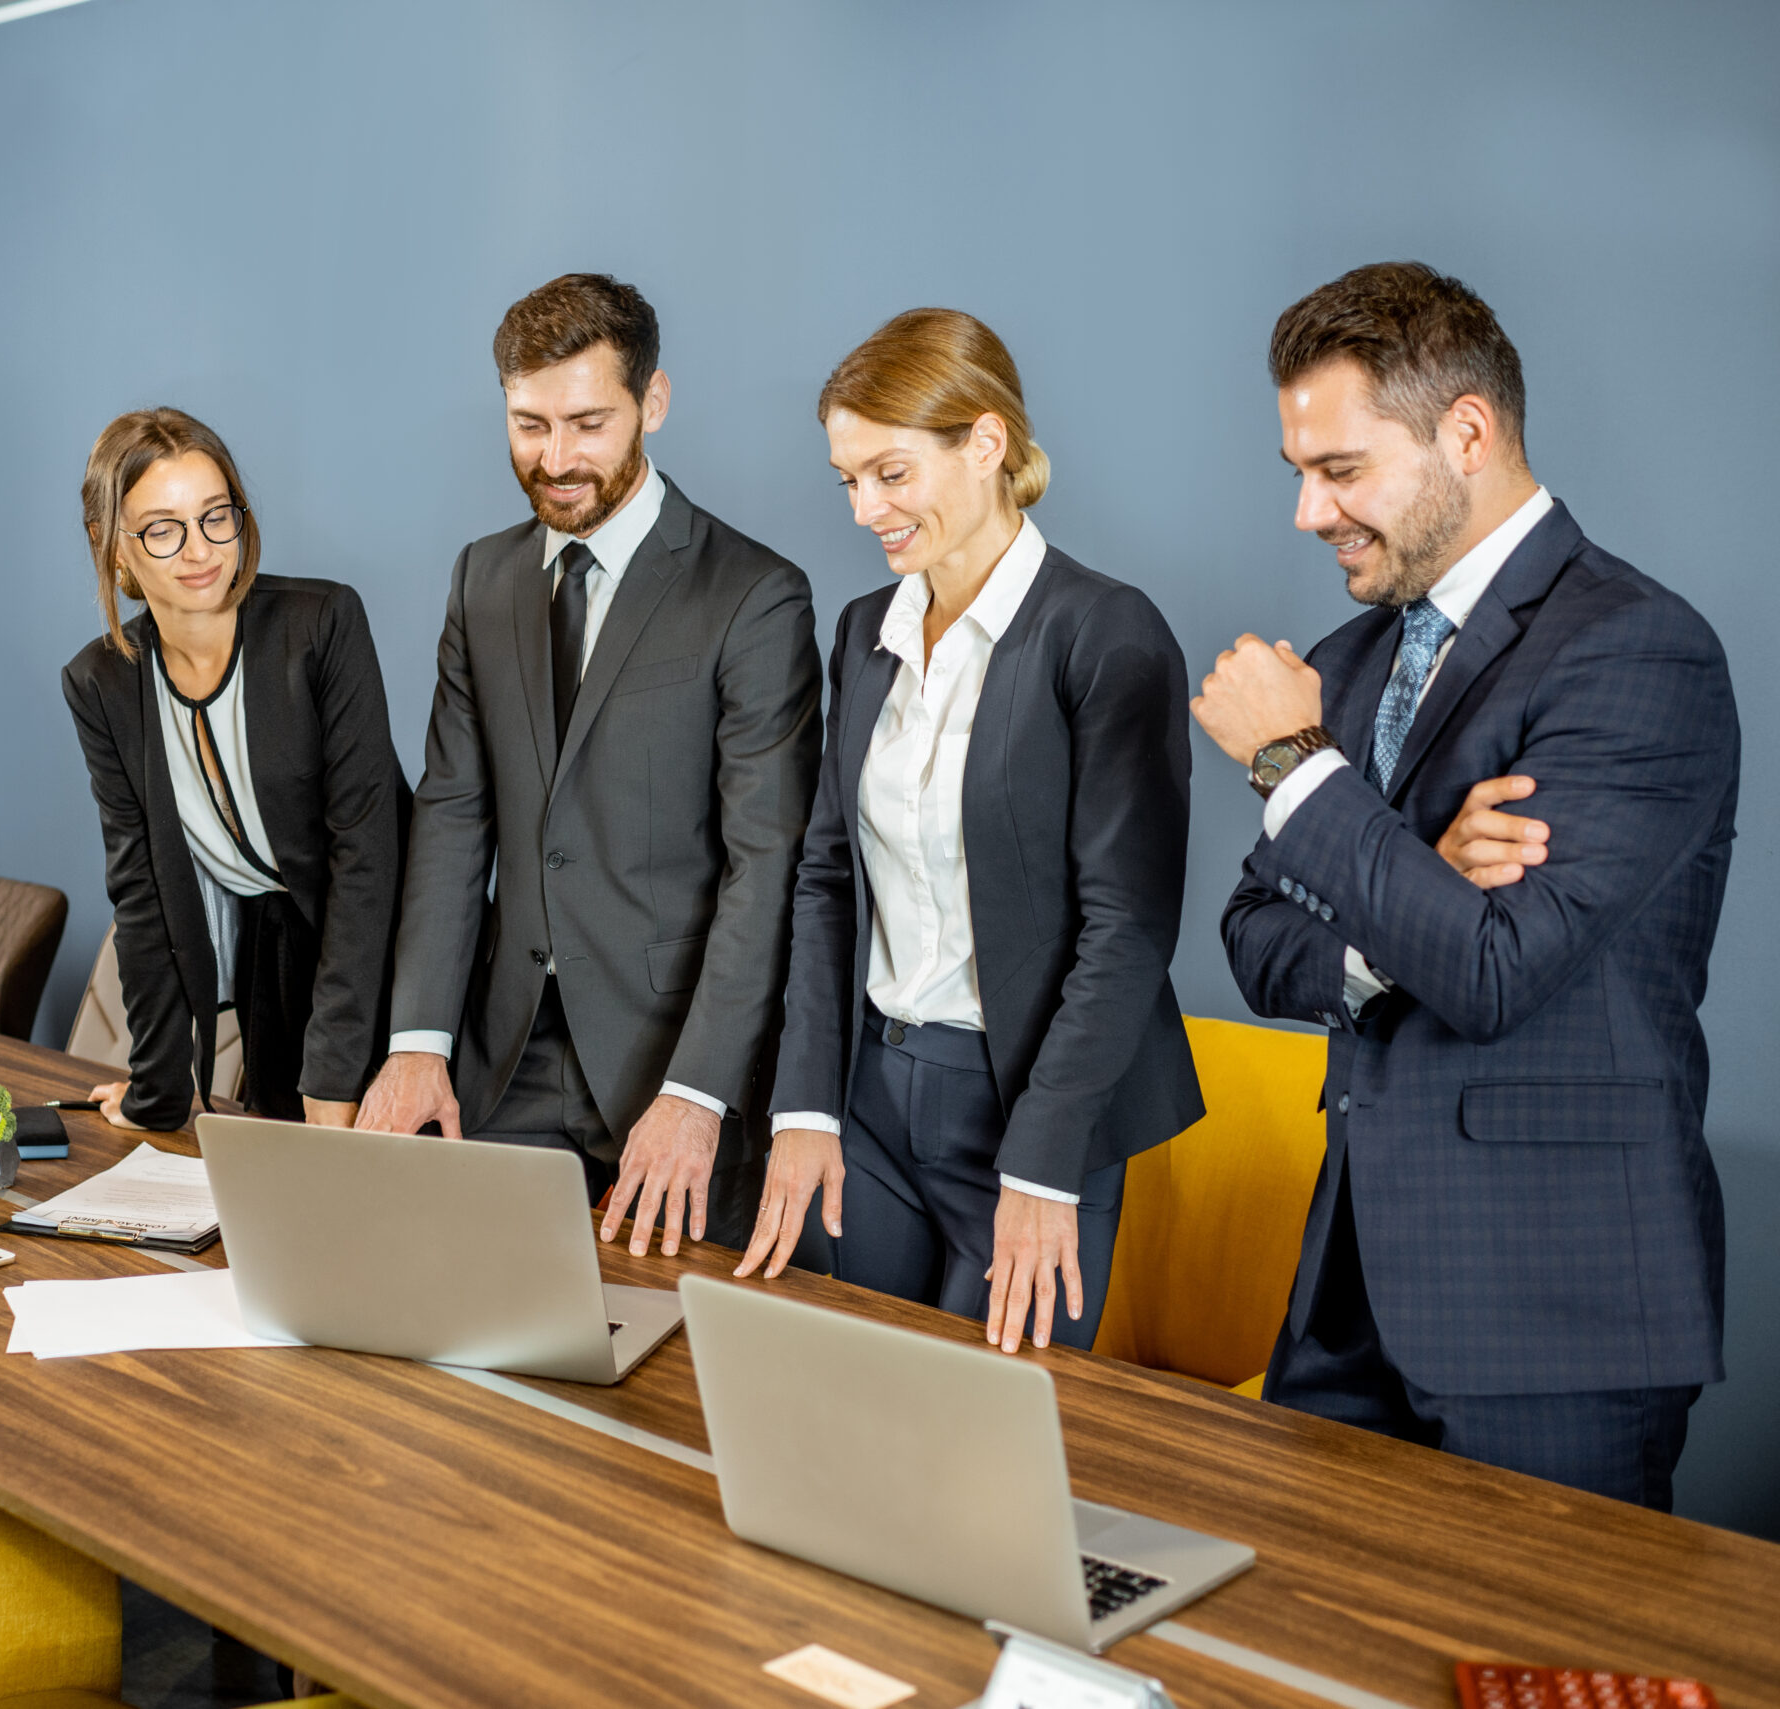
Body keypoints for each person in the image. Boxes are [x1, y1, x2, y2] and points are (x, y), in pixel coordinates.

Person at [1194, 262, 1737, 1509]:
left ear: (1468, 432)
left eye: (1338, 470)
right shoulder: (1346, 653)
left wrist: (1292, 762)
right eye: (1296, 473)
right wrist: (1417, 882)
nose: (1305, 512)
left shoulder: (1637, 648)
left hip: (1555, 1316)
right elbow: (1252, 933)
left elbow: (1493, 969)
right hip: (1345, 1298)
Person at [735, 310, 1202, 1353]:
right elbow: (824, 875)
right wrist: (805, 1104)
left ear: (985, 443)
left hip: (1033, 1101)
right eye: (847, 480)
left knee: (980, 1457)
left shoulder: (1105, 632)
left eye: (890, 474)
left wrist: (1045, 1160)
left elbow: (1125, 926)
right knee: (849, 1400)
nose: (864, 509)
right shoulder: (865, 630)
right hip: (873, 1096)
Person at [355, 274, 823, 1253]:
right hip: (502, 1054)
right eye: (528, 425)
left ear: (653, 401)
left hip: (671, 1067)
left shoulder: (754, 596)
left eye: (586, 422)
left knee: (666, 1382)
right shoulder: (481, 576)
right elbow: (450, 816)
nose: (554, 459)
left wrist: (696, 1093)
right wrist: (416, 1042)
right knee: (467, 1348)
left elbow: (763, 866)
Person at [63, 408, 408, 1132]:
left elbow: (367, 862)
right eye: (163, 527)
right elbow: (143, 893)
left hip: (396, 963)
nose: (199, 549)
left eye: (216, 515)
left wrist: (337, 1073)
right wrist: (156, 1088)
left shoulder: (320, 625)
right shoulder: (103, 683)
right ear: (112, 547)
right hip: (274, 975)